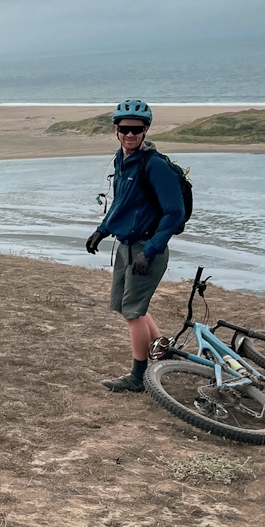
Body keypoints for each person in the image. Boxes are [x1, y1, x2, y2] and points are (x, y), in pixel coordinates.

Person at [85, 99, 185, 392]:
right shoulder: (122, 159)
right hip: (126, 245)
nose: (130, 135)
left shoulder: (154, 166)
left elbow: (174, 212)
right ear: (116, 129)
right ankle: (162, 352)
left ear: (146, 129)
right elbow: (122, 203)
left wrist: (150, 250)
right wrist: (102, 231)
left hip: (147, 248)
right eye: (125, 129)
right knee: (127, 307)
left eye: (137, 129)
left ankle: (139, 377)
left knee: (133, 312)